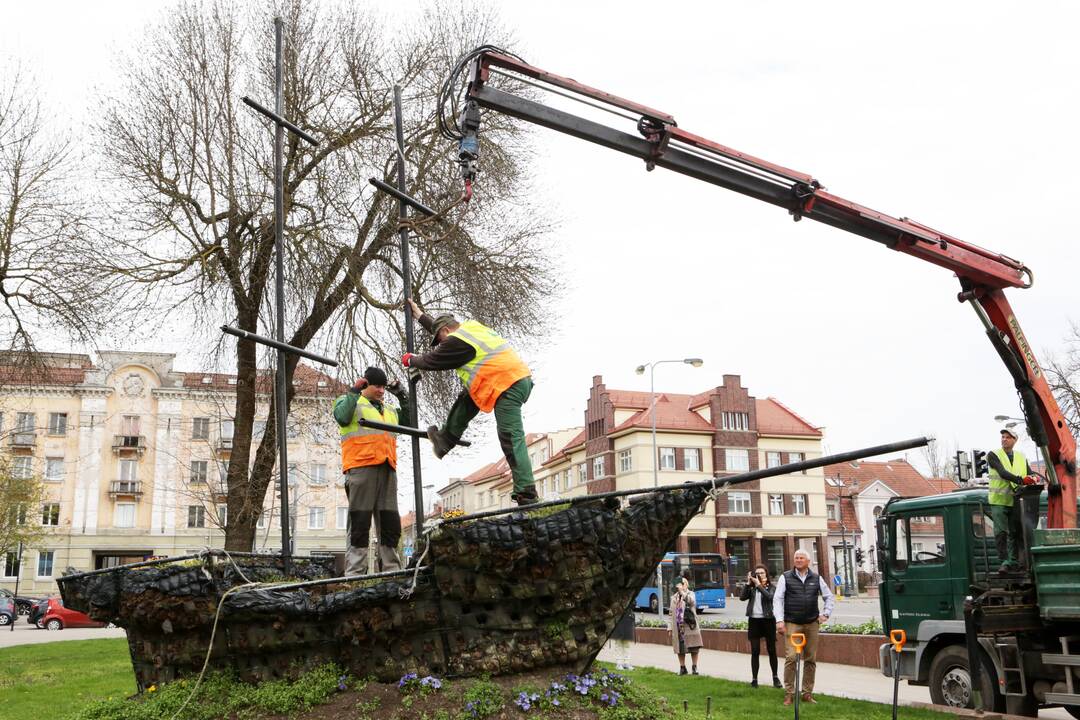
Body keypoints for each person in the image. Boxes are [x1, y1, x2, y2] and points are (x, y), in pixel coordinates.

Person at [402, 298, 538, 505]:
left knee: (510, 435)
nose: (440, 345)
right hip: (509, 378)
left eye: (439, 340)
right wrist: (420, 316)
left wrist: (410, 359)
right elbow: (441, 330)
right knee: (467, 397)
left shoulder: (455, 341)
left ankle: (526, 491)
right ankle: (445, 439)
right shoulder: (470, 328)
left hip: (507, 384)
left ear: (446, 332)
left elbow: (431, 360)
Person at [333, 366, 409, 576]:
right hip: (361, 468)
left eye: (384, 386)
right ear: (366, 384)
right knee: (360, 522)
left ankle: (391, 571)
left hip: (387, 468)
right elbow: (341, 417)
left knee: (390, 522)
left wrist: (402, 394)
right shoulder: (351, 401)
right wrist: (353, 391)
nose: (381, 390)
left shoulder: (390, 411)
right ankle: (355, 573)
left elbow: (410, 422)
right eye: (377, 386)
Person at [774, 549, 835, 706]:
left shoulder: (816, 578)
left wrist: (826, 614)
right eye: (796, 558)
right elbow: (778, 599)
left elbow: (829, 596)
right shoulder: (785, 577)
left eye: (801, 558)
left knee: (811, 659)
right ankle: (789, 693)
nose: (798, 560)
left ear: (808, 561)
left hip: (812, 623)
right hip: (792, 622)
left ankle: (807, 693)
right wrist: (779, 621)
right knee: (791, 658)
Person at [987, 427, 1033, 572]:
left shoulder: (1021, 457)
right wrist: (1021, 480)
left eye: (1007, 437)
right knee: (1001, 532)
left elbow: (1030, 474)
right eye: (1003, 437)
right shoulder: (993, 455)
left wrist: (1033, 478)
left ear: (1015, 440)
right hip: (999, 500)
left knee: (1015, 531)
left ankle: (1015, 561)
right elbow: (1002, 473)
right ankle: (1005, 562)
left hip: (1015, 500)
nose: (1004, 439)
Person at [741, 565, 781, 688]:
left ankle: (775, 677)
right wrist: (748, 584)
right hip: (754, 621)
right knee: (755, 651)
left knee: (771, 650)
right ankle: (754, 679)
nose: (759, 575)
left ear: (766, 574)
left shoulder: (772, 587)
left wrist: (759, 585)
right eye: (757, 573)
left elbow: (769, 597)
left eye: (762, 573)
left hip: (768, 620)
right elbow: (742, 597)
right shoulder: (752, 588)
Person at [669, 576, 703, 675]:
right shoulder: (673, 597)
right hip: (679, 626)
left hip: (690, 625)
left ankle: (694, 667)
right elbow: (671, 613)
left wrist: (682, 593)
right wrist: (669, 627)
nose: (680, 586)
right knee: (680, 648)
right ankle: (682, 668)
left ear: (686, 585)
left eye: (682, 584)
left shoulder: (690, 594)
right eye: (679, 584)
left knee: (694, 647)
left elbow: (692, 602)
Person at [609, 606, 635, 671]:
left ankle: (626, 663)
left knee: (627, 644)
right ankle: (619, 664)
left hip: (627, 621)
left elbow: (634, 604)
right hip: (618, 621)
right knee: (619, 644)